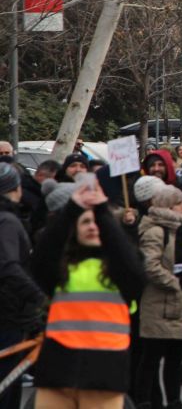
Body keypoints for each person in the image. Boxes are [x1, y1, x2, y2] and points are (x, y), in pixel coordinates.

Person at [30, 175, 145, 409]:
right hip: (57, 374)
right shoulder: (63, 269)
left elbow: (132, 270)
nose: (92, 227)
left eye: (97, 223)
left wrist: (103, 212)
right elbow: (41, 258)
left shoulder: (120, 269)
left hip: (103, 375)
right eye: (85, 222)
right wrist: (72, 210)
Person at [134, 185, 182, 409]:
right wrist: (178, 284)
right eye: (179, 202)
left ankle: (174, 402)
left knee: (175, 362)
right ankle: (145, 402)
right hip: (158, 305)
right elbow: (151, 266)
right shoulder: (156, 231)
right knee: (151, 359)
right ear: (167, 205)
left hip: (177, 306)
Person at [0, 162, 45, 409]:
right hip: (9, 313)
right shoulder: (7, 220)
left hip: (10, 310)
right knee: (8, 385)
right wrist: (38, 297)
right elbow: (8, 266)